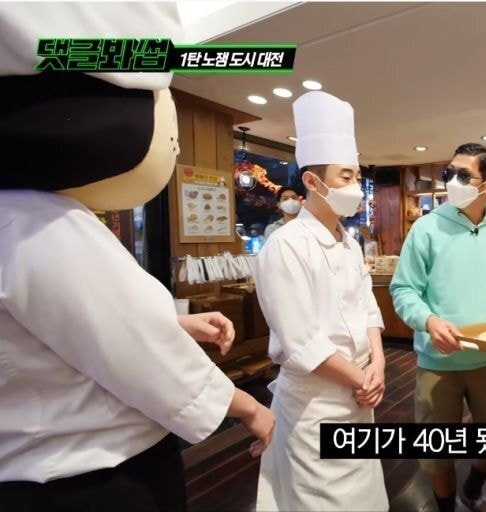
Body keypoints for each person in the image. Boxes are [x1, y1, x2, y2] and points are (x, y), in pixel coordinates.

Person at [0, 5, 275, 510]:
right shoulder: (37, 221)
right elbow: (137, 352)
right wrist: (249, 408)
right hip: (85, 477)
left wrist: (175, 323)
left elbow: (70, 329)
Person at [390, 143, 486, 512]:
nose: (451, 182)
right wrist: (429, 320)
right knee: (436, 454)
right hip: (438, 360)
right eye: (449, 173)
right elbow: (404, 289)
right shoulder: (427, 227)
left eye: (463, 175)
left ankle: (472, 488)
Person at [255, 91, 388, 512]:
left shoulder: (349, 242)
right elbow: (302, 342)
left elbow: (367, 307)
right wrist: (361, 378)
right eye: (345, 177)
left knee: (366, 499)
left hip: (359, 395)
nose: (355, 187)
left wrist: (379, 364)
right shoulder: (285, 245)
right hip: (315, 404)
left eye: (356, 176)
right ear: (312, 183)